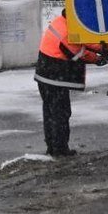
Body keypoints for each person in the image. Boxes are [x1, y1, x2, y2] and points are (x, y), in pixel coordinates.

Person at [34, 10, 102, 157]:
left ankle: (52, 146)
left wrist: (99, 47)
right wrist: (99, 57)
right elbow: (78, 52)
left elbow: (83, 40)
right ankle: (60, 149)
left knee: (50, 112)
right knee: (61, 113)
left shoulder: (62, 22)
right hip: (54, 78)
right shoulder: (66, 32)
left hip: (45, 76)